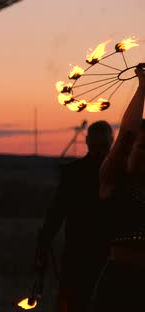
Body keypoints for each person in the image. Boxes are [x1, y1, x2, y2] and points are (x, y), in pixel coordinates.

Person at [38, 120, 113, 312]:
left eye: (102, 147)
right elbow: (57, 211)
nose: (99, 152)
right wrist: (45, 241)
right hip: (81, 254)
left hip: (104, 255)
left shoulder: (116, 173)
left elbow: (56, 212)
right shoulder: (75, 173)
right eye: (97, 147)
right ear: (87, 142)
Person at [91, 63, 145, 312]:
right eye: (142, 148)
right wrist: (143, 86)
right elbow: (127, 132)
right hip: (120, 281)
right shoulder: (114, 179)